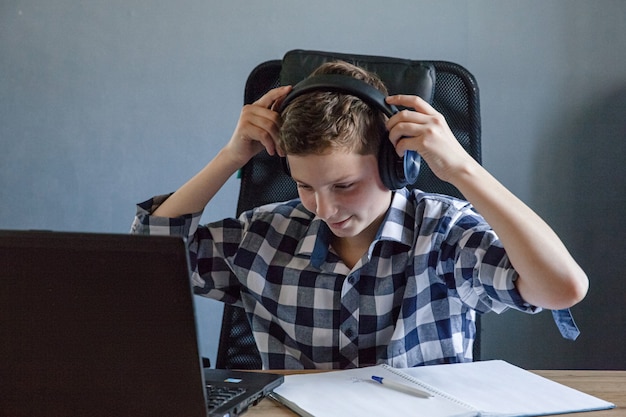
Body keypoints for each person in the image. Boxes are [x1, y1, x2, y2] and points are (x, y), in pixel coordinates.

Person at [131, 60, 588, 369]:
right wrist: (230, 157)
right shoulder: (264, 236)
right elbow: (145, 268)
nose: (325, 209)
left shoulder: (444, 233)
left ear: (396, 162)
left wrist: (462, 169)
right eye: (305, 185)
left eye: (344, 185)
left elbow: (562, 287)